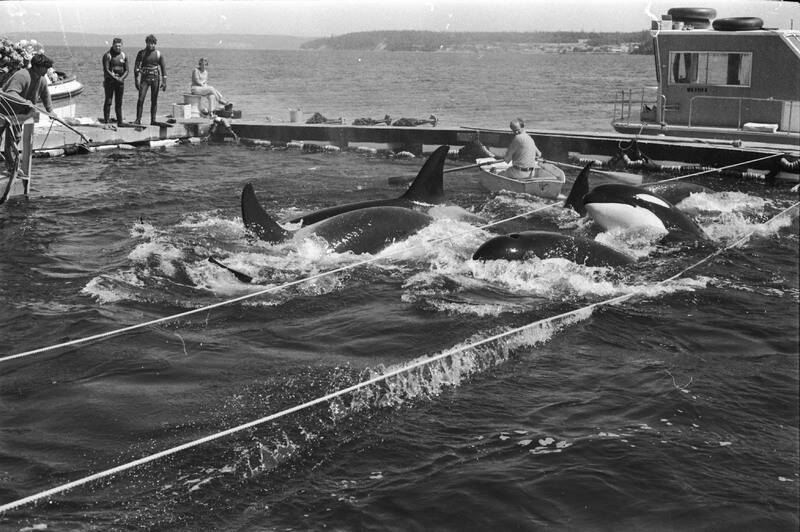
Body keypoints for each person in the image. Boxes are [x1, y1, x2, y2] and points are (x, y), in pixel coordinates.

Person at [0, 53, 54, 173]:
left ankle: (11, 167)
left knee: (14, 139)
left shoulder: (42, 79)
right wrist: (26, 102)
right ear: (36, 66)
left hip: (19, 113)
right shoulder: (22, 75)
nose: (47, 70)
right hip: (4, 110)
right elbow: (10, 93)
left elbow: (45, 95)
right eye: (45, 67)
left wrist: (50, 111)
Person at [133, 34, 166, 125]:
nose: (151, 45)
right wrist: (136, 80)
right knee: (141, 99)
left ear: (155, 44)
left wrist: (164, 82)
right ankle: (138, 119)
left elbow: (163, 69)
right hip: (145, 79)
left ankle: (153, 120)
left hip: (155, 78)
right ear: (146, 43)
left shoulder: (158, 54)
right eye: (149, 43)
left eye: (152, 43)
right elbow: (136, 67)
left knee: (154, 100)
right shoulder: (141, 53)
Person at [101, 37, 128, 125]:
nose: (118, 48)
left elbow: (127, 70)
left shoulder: (123, 55)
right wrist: (115, 78)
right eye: (116, 46)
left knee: (119, 103)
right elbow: (106, 70)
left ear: (122, 46)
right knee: (108, 101)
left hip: (120, 82)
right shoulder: (107, 55)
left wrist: (121, 78)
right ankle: (106, 121)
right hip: (110, 82)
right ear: (113, 45)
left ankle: (120, 122)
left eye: (119, 46)